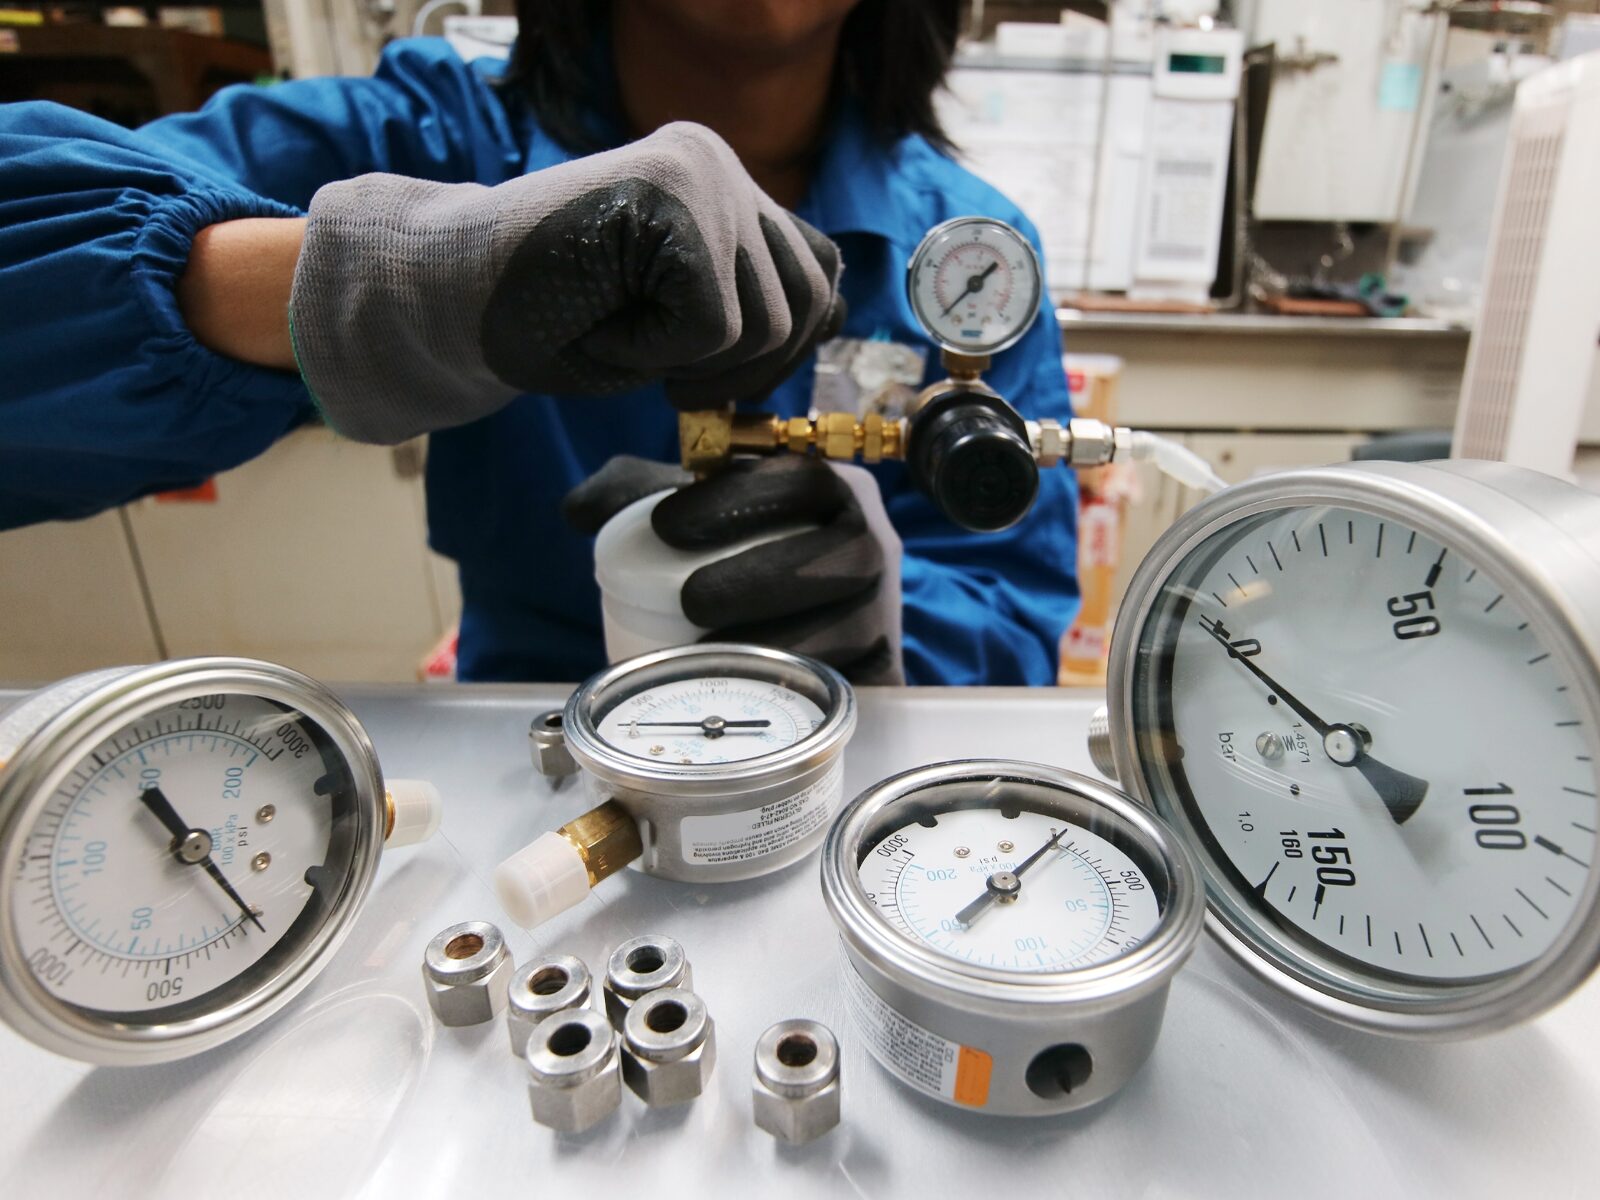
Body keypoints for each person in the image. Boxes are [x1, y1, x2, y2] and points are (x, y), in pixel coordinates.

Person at [0, 0, 1078, 686]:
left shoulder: (969, 258)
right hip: (529, 771)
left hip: (840, 791)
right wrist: (391, 277)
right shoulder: (423, 147)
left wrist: (873, 611)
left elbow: (1016, 609)